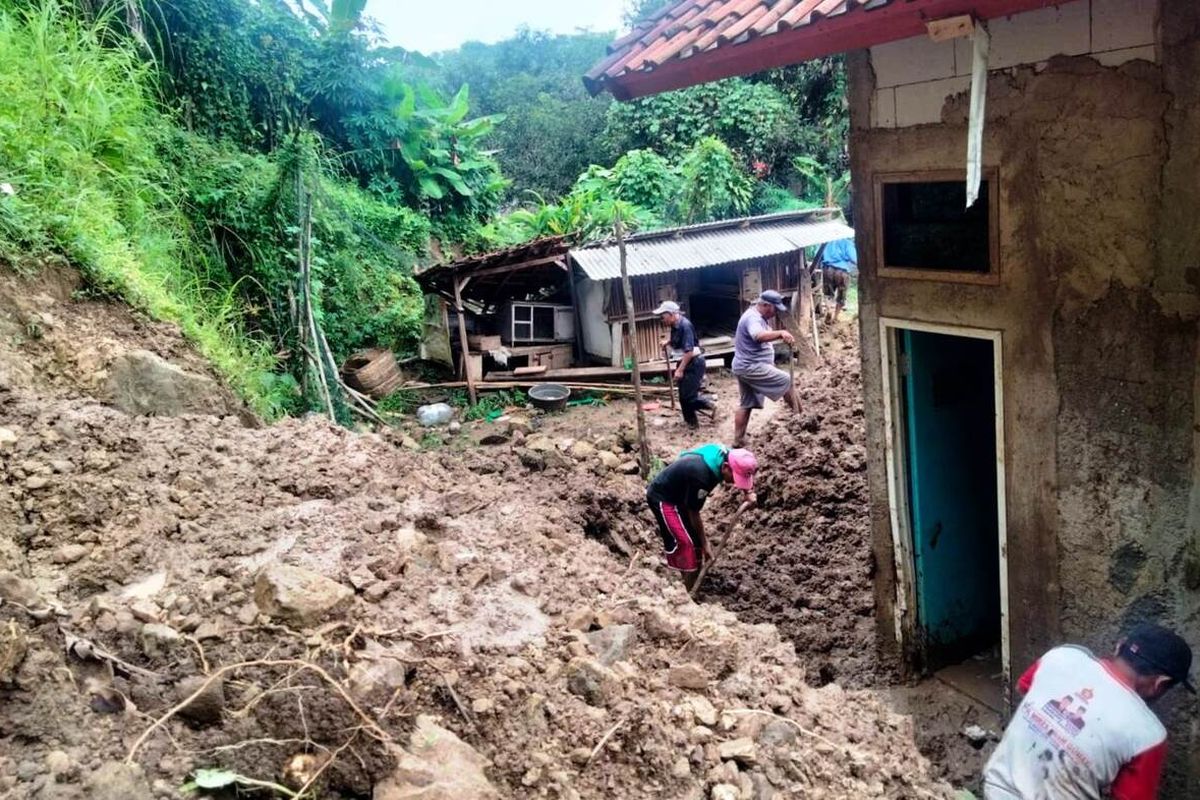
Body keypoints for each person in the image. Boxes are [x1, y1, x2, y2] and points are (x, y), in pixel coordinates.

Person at [982, 623, 1194, 800]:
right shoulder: (1149, 735)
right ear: (1159, 683)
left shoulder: (1062, 656)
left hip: (994, 788)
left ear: (1119, 647)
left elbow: (1025, 688)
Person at [645, 444, 757, 590]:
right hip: (663, 497)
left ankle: (695, 577)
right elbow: (693, 512)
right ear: (725, 467)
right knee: (685, 543)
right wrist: (705, 543)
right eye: (735, 478)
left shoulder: (725, 454)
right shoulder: (701, 478)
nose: (736, 483)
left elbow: (742, 470)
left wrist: (748, 492)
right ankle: (686, 590)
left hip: (682, 492)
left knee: (695, 540)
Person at [731, 290, 801, 448]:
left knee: (746, 403)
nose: (775, 312)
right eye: (774, 309)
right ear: (765, 305)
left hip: (745, 365)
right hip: (750, 366)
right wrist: (781, 333)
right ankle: (801, 419)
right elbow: (758, 336)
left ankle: (738, 440)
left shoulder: (758, 317)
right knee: (786, 380)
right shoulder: (753, 318)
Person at [655, 300, 713, 428]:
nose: (661, 319)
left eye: (663, 316)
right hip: (684, 361)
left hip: (693, 362)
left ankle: (710, 405)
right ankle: (690, 422)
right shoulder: (675, 325)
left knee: (689, 397)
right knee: (683, 397)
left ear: (671, 314)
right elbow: (678, 339)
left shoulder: (685, 326)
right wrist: (668, 342)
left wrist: (680, 370)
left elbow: (689, 351)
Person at [820, 237, 857, 323]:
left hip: (828, 269)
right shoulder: (847, 243)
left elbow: (818, 255)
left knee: (828, 294)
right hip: (842, 272)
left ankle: (829, 310)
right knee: (841, 296)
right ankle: (836, 317)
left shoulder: (826, 241)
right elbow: (854, 259)